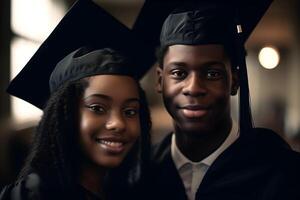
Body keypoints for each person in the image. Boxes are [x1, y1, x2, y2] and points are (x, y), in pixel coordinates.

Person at [149, 1, 300, 200]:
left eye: (212, 74)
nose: (193, 88)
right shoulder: (141, 174)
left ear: (235, 81)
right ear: (160, 81)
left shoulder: (285, 173)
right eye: (179, 73)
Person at [0, 47, 151, 199]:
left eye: (130, 112)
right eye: (97, 108)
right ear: (64, 115)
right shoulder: (32, 195)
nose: (118, 123)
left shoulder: (131, 192)